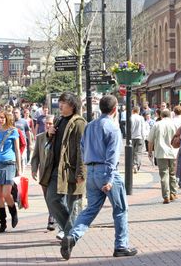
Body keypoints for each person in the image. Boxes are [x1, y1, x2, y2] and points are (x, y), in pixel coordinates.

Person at [61, 95, 137, 260]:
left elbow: (82, 148)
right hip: (106, 171)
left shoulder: (90, 126)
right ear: (115, 109)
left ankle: (72, 236)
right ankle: (121, 245)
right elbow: (112, 156)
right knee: (120, 209)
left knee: (90, 209)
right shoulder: (113, 128)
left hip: (92, 170)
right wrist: (109, 179)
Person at [40, 92, 86, 241]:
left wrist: (81, 172)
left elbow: (82, 149)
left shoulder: (79, 123)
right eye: (59, 102)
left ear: (72, 106)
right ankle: (71, 230)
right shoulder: (59, 120)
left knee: (74, 205)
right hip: (56, 168)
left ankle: (69, 235)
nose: (60, 105)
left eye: (63, 103)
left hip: (71, 169)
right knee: (52, 199)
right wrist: (49, 133)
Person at [0, 110, 22, 233]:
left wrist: (20, 169)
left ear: (6, 118)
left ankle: (13, 212)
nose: (0, 120)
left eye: (2, 118)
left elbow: (17, 150)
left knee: (7, 193)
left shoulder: (13, 131)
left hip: (9, 164)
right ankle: (2, 222)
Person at [31, 114, 56, 232]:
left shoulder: (58, 137)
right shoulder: (40, 137)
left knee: (53, 196)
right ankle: (52, 214)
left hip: (55, 173)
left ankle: (52, 217)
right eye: (47, 123)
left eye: (51, 123)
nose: (48, 126)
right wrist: (34, 169)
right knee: (47, 196)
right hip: (43, 173)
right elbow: (35, 155)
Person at [148, 109, 178, 203]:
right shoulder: (174, 124)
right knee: (173, 173)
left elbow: (150, 140)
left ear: (161, 116)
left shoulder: (157, 124)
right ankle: (173, 193)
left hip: (161, 153)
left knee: (164, 174)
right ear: (170, 115)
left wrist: (150, 151)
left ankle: (166, 196)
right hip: (173, 152)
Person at [130, 106, 146, 173]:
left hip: (132, 137)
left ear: (133, 110)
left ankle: (132, 164)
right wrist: (144, 137)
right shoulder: (141, 118)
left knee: (132, 152)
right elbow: (143, 128)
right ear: (138, 111)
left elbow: (129, 128)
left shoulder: (130, 117)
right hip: (139, 137)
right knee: (138, 152)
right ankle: (136, 164)